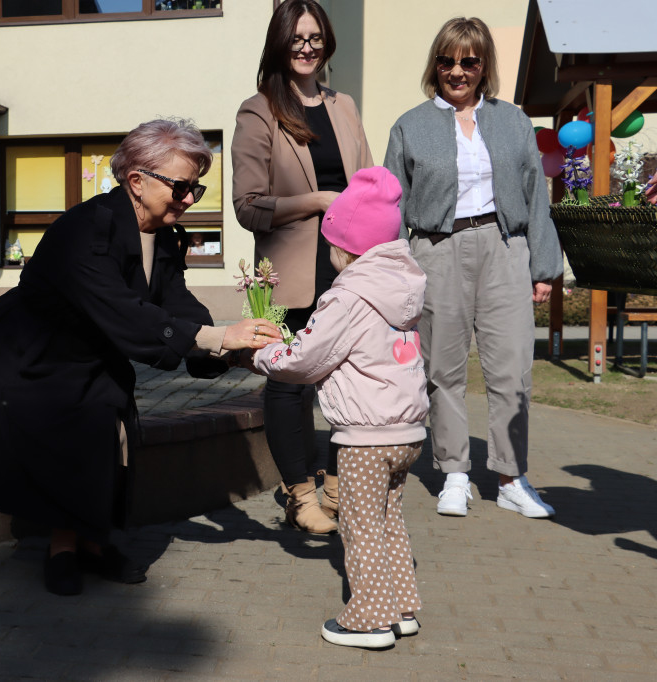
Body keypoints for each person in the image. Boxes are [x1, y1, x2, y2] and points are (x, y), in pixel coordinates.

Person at [0, 118, 282, 596]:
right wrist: (218, 338)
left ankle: (93, 542)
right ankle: (64, 549)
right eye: (181, 187)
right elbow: (123, 312)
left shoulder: (168, 236)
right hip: (26, 356)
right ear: (137, 181)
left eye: (195, 189)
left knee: (111, 424)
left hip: (88, 348)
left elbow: (176, 304)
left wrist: (229, 352)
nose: (189, 199)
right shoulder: (86, 228)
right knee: (81, 422)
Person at [384, 17, 563, 519]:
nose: (457, 71)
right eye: (447, 60)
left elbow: (536, 198)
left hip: (506, 247)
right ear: (435, 64)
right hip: (436, 250)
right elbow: (392, 204)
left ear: (484, 66)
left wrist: (544, 268)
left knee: (512, 369)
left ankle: (510, 477)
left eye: (469, 61)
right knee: (442, 370)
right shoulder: (410, 125)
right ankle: (455, 474)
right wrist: (396, 266)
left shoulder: (513, 121)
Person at [245, 167, 429, 649]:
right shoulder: (401, 287)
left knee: (360, 525)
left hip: (366, 436)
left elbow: (308, 357)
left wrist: (265, 356)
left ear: (346, 245)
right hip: (407, 432)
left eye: (330, 243)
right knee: (390, 520)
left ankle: (369, 620)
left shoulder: (348, 296)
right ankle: (401, 607)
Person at [232, 0, 374, 534]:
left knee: (350, 375)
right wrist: (316, 202)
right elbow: (248, 205)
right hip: (292, 272)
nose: (307, 46)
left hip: (348, 268)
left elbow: (368, 185)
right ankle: (299, 493)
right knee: (291, 384)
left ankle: (336, 484)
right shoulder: (258, 110)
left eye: (315, 36)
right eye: (297, 37)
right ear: (280, 44)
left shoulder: (345, 106)